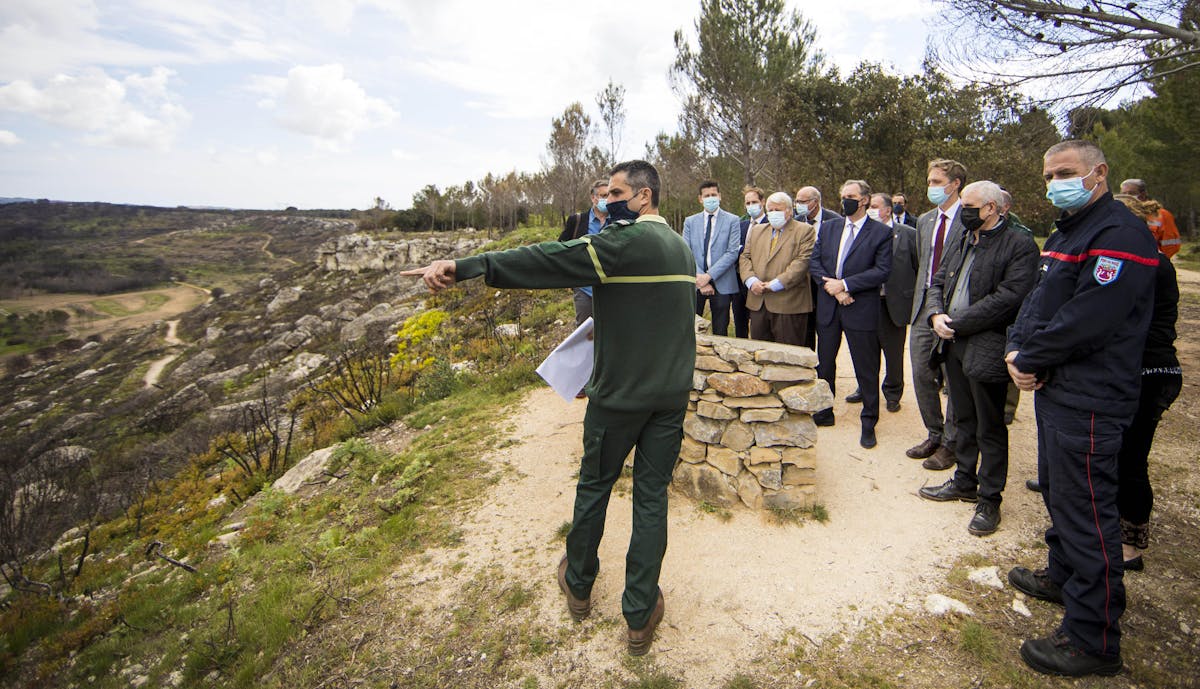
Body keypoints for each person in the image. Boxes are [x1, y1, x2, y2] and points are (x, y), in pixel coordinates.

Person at [402, 160, 695, 657]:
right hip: (669, 398)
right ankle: (640, 615)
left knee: (595, 486)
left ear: (644, 197)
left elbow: (547, 259)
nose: (606, 202)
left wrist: (467, 267)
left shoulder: (621, 244)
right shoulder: (681, 248)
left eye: (617, 193)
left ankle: (578, 585)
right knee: (651, 500)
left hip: (619, 398)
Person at [1005, 140, 1158, 677]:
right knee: (1058, 492)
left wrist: (1031, 355)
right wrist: (1015, 351)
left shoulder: (1120, 233)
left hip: (1091, 398)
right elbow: (1037, 302)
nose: (1054, 183)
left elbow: (1091, 316)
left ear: (1099, 173)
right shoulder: (1069, 228)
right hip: (1056, 390)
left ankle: (1092, 637)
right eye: (1048, 175)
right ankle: (1060, 575)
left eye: (1065, 173)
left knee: (1088, 513)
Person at [916, 181, 1039, 536]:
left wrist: (958, 322)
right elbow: (937, 281)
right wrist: (936, 314)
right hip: (951, 341)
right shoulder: (963, 237)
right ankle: (964, 480)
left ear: (991, 208)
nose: (963, 211)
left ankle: (990, 499)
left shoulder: (1018, 245)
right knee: (963, 416)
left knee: (990, 424)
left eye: (969, 206)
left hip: (985, 343)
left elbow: (1010, 297)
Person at [1112, 192, 1182, 571]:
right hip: (1132, 369)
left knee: (1132, 459)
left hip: (1149, 372)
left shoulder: (1150, 265)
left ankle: (1130, 545)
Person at [808, 180, 893, 448]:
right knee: (825, 364)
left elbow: (882, 270)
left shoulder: (880, 232)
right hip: (830, 307)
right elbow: (815, 262)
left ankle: (869, 422)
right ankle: (824, 412)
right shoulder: (829, 227)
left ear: (865, 200)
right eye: (843, 196)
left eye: (852, 197)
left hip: (860, 308)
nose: (846, 201)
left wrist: (846, 285)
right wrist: (833, 288)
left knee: (865, 367)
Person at [907, 159, 965, 470]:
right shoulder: (925, 221)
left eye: (936, 181)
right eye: (929, 181)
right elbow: (922, 265)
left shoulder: (968, 219)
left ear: (955, 184)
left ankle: (952, 443)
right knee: (920, 374)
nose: (931, 187)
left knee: (954, 379)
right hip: (922, 307)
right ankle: (934, 432)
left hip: (954, 308)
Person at [844, 193, 917, 412]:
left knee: (893, 352)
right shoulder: (860, 233)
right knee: (865, 350)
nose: (871, 209)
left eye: (875, 206)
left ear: (887, 210)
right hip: (865, 301)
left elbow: (917, 266)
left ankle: (893, 392)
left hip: (892, 303)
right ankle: (865, 387)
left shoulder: (908, 235)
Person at [738, 191, 815, 346]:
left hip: (788, 304)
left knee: (788, 357)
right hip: (758, 302)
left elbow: (801, 263)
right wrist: (751, 281)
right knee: (759, 353)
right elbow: (745, 257)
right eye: (770, 210)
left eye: (777, 210)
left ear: (789, 210)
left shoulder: (804, 231)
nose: (773, 214)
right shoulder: (757, 231)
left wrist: (775, 284)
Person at [683, 180, 741, 336]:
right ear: (700, 199)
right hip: (696, 281)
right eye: (706, 195)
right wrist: (700, 279)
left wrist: (708, 276)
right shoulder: (690, 221)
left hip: (722, 281)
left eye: (713, 195)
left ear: (720, 196)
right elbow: (686, 251)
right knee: (691, 328)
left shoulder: (733, 220)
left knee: (721, 330)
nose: (710, 198)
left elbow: (732, 252)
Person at [795, 186, 842, 351]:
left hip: (825, 282)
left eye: (802, 201)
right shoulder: (796, 221)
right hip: (802, 283)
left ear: (815, 202)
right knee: (805, 329)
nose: (798, 205)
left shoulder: (834, 220)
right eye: (797, 201)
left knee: (825, 331)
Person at [558, 180, 609, 328]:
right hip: (585, 289)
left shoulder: (617, 220)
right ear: (594, 198)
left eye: (609, 195)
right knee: (584, 331)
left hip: (610, 289)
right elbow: (562, 247)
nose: (607, 199)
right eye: (603, 195)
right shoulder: (577, 220)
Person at [733, 186, 768, 338]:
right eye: (748, 203)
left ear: (763, 202)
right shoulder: (741, 226)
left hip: (760, 282)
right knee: (740, 324)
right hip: (739, 283)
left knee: (759, 327)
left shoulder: (771, 225)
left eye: (754, 202)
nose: (750, 206)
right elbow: (734, 251)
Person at [1120, 178, 1182, 258]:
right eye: (1124, 193)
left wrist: (1157, 260)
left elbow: (1171, 245)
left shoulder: (1162, 215)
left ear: (1143, 194)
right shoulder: (1117, 213)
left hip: (1152, 263)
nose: (1127, 196)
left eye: (1131, 193)